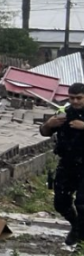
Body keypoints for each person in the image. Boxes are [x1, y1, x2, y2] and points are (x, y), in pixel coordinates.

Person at [40, 82, 84, 246]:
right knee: (61, 202)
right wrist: (49, 124)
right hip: (67, 163)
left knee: (82, 203)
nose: (75, 102)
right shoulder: (64, 112)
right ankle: (76, 226)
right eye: (72, 98)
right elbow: (44, 132)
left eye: (79, 98)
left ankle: (81, 240)